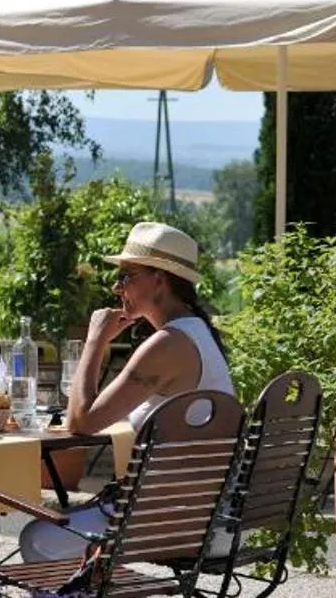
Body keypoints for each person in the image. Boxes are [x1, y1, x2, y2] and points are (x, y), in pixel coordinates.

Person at [28, 220, 236, 566]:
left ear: (159, 280)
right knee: (74, 541)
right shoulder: (194, 333)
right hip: (200, 514)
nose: (116, 286)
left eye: (126, 276)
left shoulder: (169, 344)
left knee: (37, 539)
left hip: (175, 521)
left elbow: (81, 422)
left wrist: (95, 341)